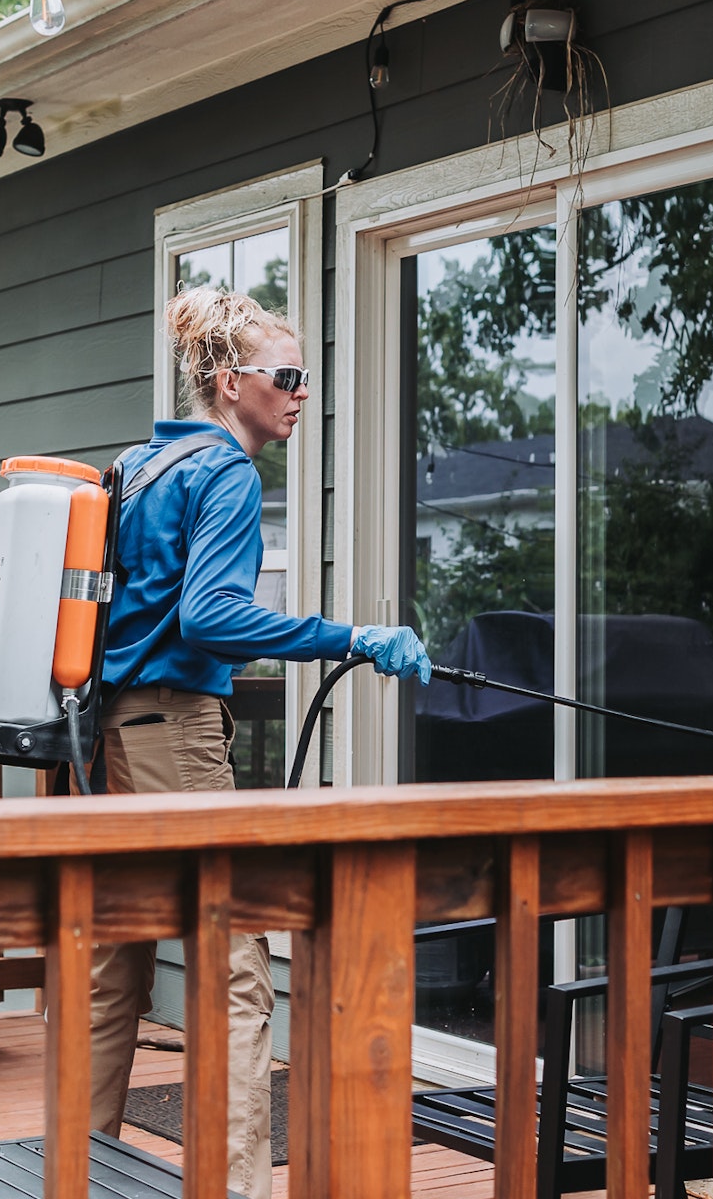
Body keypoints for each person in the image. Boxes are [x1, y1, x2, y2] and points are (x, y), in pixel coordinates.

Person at [90, 286, 432, 1199]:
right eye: (286, 376)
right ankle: (237, 1188)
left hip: (108, 739)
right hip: (173, 734)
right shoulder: (227, 473)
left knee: (112, 965)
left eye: (305, 376)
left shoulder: (143, 465)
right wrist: (350, 637)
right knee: (234, 968)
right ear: (227, 379)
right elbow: (210, 618)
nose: (299, 392)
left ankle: (76, 1168)